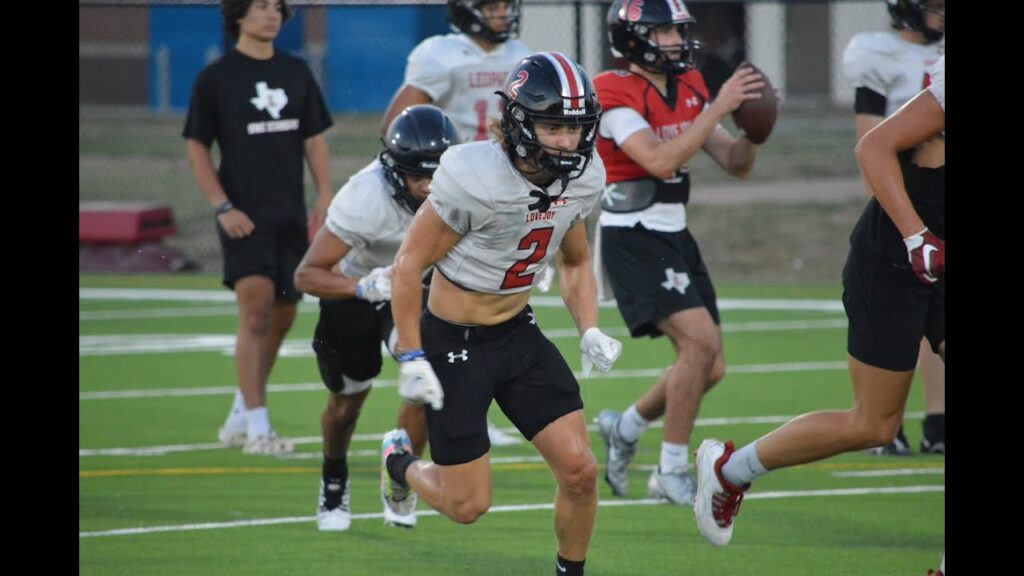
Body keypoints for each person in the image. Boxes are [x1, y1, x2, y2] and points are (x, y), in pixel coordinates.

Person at [380, 53, 622, 576]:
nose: (566, 141)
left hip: (516, 333)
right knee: (467, 506)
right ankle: (398, 460)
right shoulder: (475, 177)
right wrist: (413, 352)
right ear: (519, 121)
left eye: (576, 128)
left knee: (580, 471)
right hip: (453, 340)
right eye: (553, 126)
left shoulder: (581, 179)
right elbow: (407, 267)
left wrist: (590, 329)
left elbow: (576, 262)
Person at [693, 56, 945, 553]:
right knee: (873, 424)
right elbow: (873, 146)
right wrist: (917, 237)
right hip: (898, 257)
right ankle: (731, 470)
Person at [591, 0, 765, 505]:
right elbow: (659, 158)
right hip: (633, 233)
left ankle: (624, 427)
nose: (675, 40)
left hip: (674, 231)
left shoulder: (688, 85)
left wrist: (753, 130)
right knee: (699, 342)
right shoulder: (614, 91)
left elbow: (735, 161)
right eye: (663, 31)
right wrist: (719, 106)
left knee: (711, 366)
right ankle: (670, 467)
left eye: (676, 30)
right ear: (634, 39)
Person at [293, 105, 459, 531]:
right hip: (353, 294)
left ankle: (399, 471)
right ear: (394, 170)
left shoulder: (459, 189)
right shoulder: (365, 198)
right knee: (347, 403)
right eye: (418, 177)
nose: (428, 188)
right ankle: (334, 474)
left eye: (436, 177)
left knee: (427, 379)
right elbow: (306, 275)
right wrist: (362, 287)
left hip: (412, 288)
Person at [183, 0, 333, 454]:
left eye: (277, 8)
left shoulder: (296, 72)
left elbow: (314, 139)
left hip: (290, 216)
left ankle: (240, 412)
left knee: (284, 314)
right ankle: (258, 429)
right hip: (244, 219)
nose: (272, 15)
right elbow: (196, 148)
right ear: (237, 16)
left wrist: (325, 195)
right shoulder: (216, 78)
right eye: (261, 7)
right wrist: (222, 206)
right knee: (256, 312)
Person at [381, 0, 533, 447]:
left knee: (491, 311)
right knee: (447, 317)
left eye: (508, 4)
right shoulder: (440, 54)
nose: (503, 13)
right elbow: (397, 125)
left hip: (501, 199)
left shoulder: (519, 54)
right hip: (454, 196)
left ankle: (462, 406)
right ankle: (412, 438)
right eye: (493, 5)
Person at [843, 0, 945, 456]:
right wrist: (906, 227)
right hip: (904, 215)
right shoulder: (876, 52)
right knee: (874, 421)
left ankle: (937, 421)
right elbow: (872, 140)